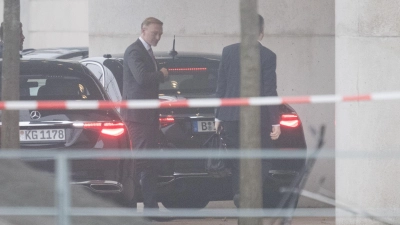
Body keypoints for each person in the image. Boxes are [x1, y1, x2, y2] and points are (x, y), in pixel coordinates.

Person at [214, 14, 281, 208]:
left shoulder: (228, 52)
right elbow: (269, 91)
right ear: (261, 33)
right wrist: (275, 122)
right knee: (263, 158)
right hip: (258, 119)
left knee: (238, 161)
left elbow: (222, 86)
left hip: (231, 117)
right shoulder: (268, 56)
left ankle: (240, 195)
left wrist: (218, 115)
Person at [120, 17, 168, 212]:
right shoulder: (134, 50)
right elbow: (142, 78)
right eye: (154, 33)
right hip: (138, 117)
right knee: (141, 161)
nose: (157, 37)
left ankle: (149, 206)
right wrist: (162, 75)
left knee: (148, 161)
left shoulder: (146, 52)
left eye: (160, 34)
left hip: (146, 116)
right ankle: (139, 206)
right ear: (143, 30)